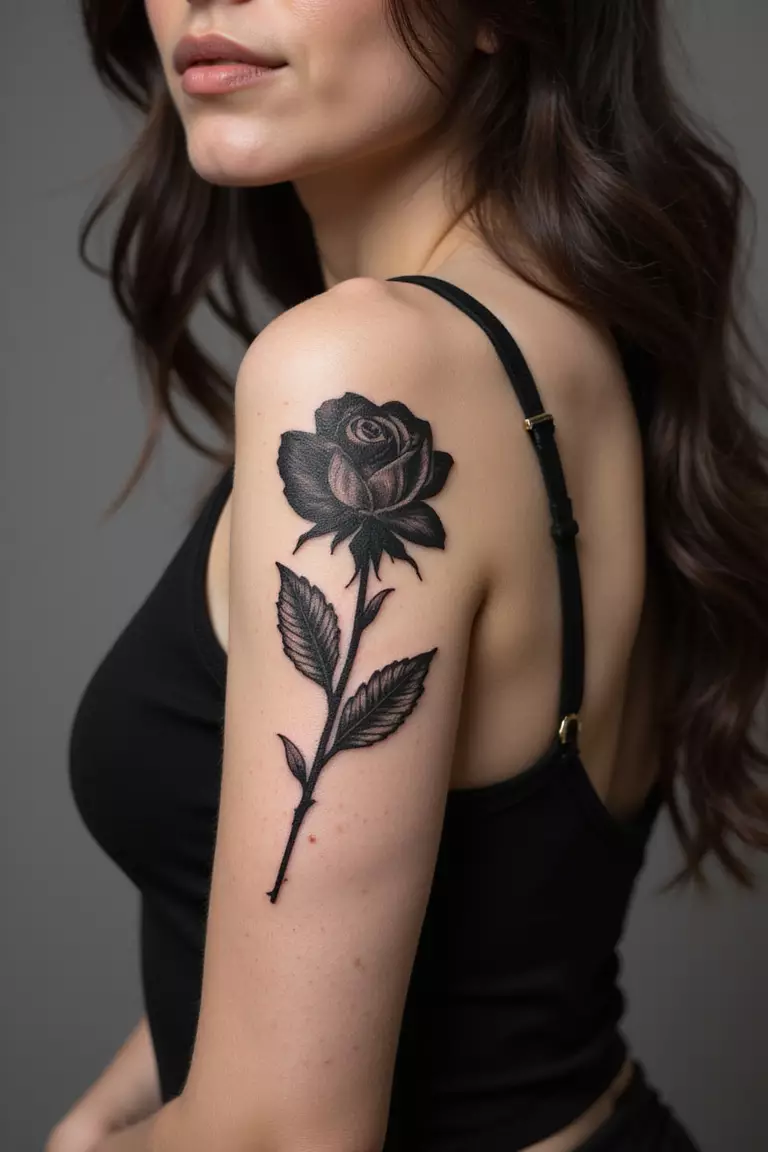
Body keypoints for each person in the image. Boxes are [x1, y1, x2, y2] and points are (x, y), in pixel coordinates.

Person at [47, 2, 768, 1150]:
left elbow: (280, 1136)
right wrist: (122, 1110)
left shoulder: (369, 368)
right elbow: (399, 931)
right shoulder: (571, 338)